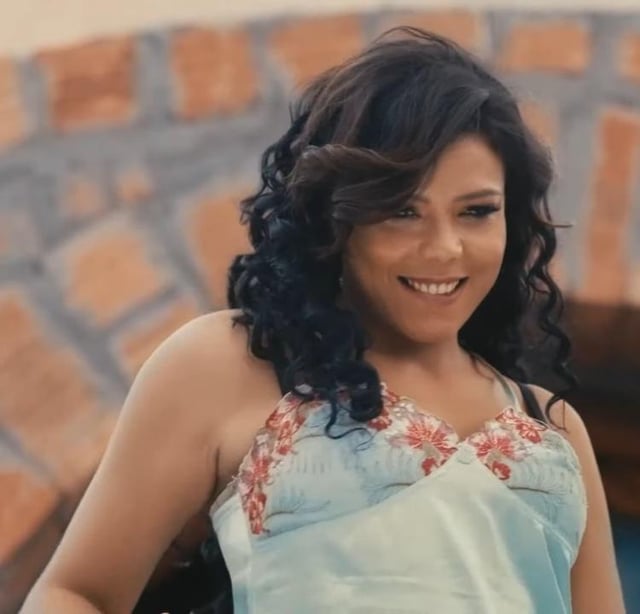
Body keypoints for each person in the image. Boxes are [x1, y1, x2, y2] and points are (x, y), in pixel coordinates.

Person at [22, 27, 625, 614]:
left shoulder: (552, 430)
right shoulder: (230, 368)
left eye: (476, 211)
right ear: (335, 218)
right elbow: (76, 594)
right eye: (402, 211)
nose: (445, 248)